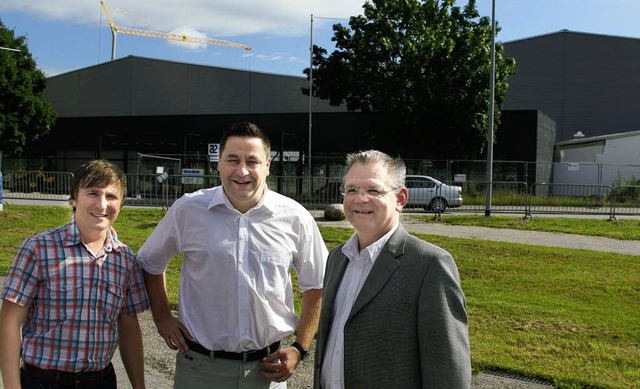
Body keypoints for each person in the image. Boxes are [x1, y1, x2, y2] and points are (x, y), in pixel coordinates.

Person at [137, 121, 328, 388]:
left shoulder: (295, 218)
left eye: (252, 161)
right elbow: (149, 262)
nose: (242, 171)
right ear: (218, 163)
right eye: (232, 160)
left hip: (268, 372)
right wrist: (161, 316)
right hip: (200, 370)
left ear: (267, 165)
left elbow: (317, 283)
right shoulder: (188, 211)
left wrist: (300, 347)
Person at [314, 150, 471, 388]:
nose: (360, 199)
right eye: (352, 190)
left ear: (400, 199)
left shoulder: (430, 265)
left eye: (373, 190)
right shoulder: (336, 258)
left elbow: (448, 372)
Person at [0, 159, 149, 389]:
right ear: (73, 199)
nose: (102, 204)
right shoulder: (38, 249)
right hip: (44, 382)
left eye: (111, 196)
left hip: (101, 381)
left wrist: (139, 386)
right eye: (92, 193)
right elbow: (10, 321)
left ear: (122, 203)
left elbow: (128, 326)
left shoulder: (125, 259)